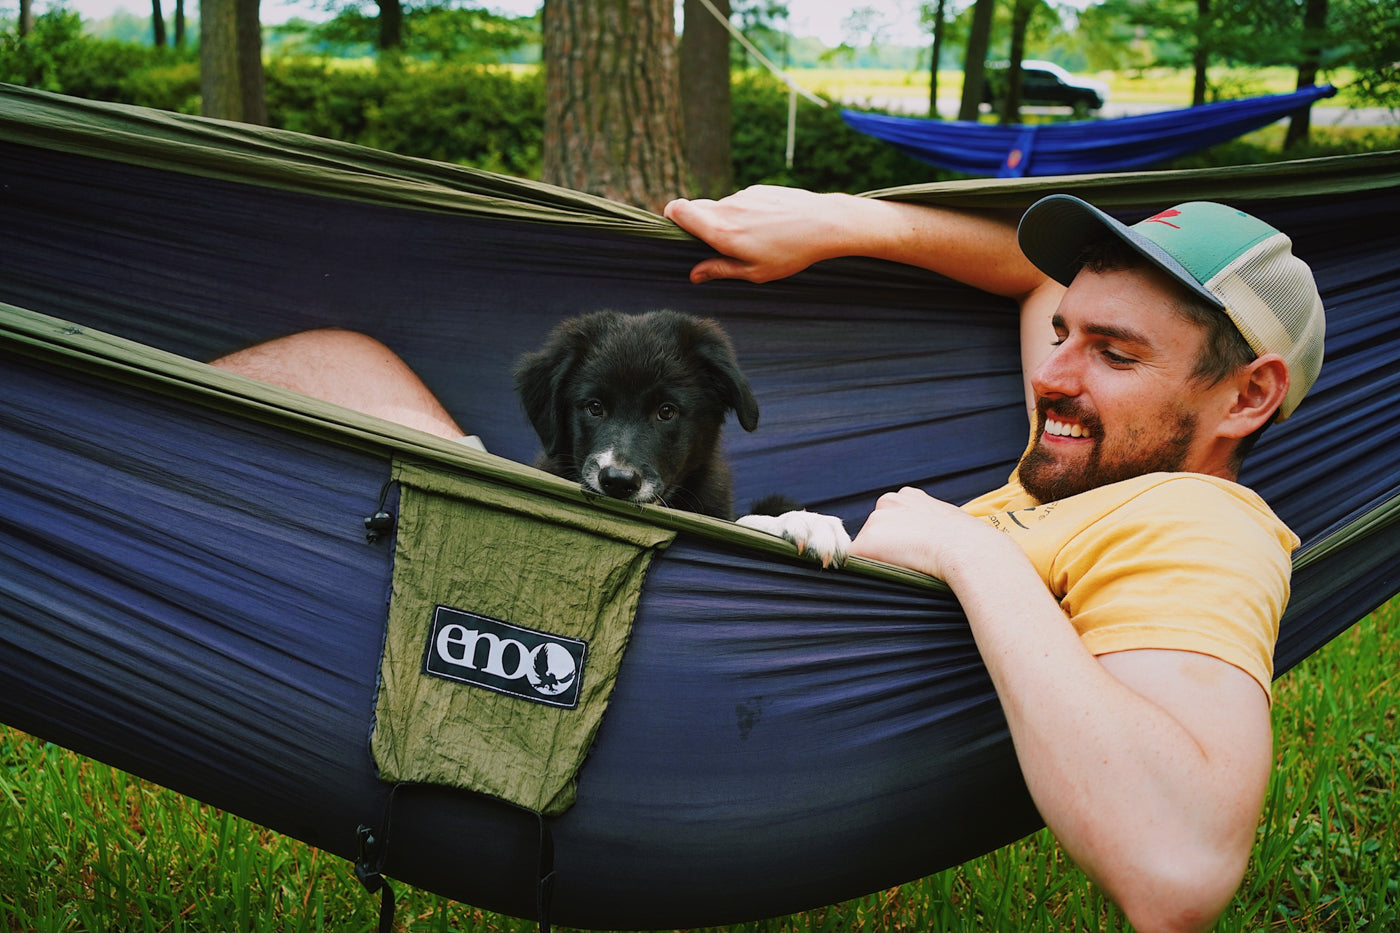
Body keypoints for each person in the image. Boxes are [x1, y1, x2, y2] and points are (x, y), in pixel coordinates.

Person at [662, 186, 1326, 933]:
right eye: (1060, 333)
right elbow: (1035, 276)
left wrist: (966, 547)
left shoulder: (1203, 526)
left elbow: (1178, 866)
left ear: (1248, 396)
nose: (1051, 376)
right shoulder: (1099, 456)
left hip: (690, 726)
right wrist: (843, 222)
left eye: (1113, 352)